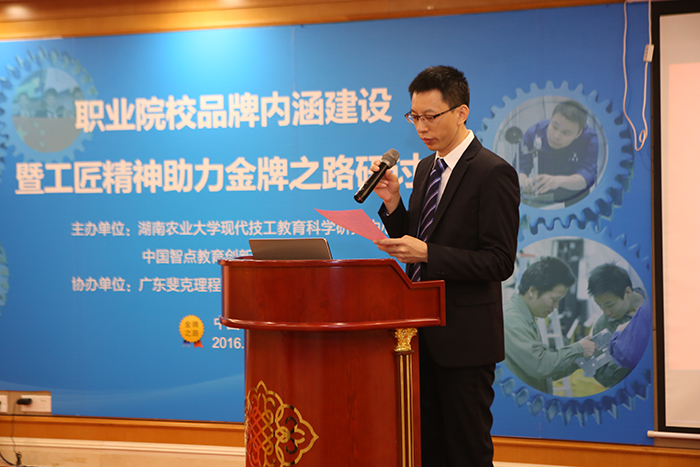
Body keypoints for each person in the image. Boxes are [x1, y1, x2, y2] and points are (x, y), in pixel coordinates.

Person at [372, 65, 520, 467]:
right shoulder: (426, 169)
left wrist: (428, 254)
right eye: (414, 117)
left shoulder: (493, 172)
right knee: (428, 448)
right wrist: (393, 204)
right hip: (420, 333)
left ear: (461, 112)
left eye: (431, 116)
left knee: (467, 451)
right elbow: (418, 237)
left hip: (465, 341)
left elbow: (499, 261)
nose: (422, 127)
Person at [503, 257, 596, 395]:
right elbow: (540, 367)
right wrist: (578, 348)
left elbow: (546, 373)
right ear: (533, 291)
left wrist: (578, 359)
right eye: (554, 299)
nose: (556, 306)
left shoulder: (526, 317)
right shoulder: (512, 319)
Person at [518, 100, 598, 203]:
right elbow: (520, 167)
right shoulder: (534, 132)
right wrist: (524, 183)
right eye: (554, 127)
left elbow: (587, 177)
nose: (556, 136)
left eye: (566, 133)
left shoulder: (589, 139)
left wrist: (559, 181)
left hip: (575, 190)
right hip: (545, 190)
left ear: (578, 133)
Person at [587, 263, 647, 387]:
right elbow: (602, 376)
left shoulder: (659, 299)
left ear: (628, 292)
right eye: (600, 305)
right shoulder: (602, 326)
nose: (606, 312)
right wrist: (626, 350)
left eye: (610, 305)